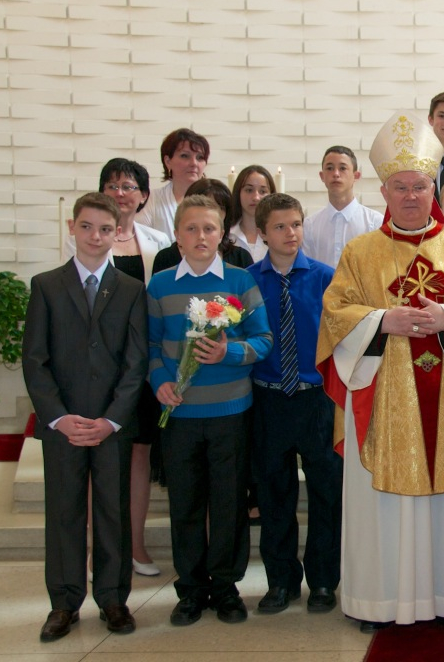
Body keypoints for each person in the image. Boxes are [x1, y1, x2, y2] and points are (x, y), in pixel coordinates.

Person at [316, 110, 444, 632]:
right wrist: (382, 320)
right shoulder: (360, 253)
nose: (410, 196)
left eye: (419, 186)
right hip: (384, 399)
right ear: (383, 191)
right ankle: (381, 603)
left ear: (432, 188)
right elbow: (335, 316)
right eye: (399, 187)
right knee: (383, 504)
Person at [23, 192, 148, 641]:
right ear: (72, 228)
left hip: (110, 425)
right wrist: (58, 418)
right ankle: (64, 602)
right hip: (64, 425)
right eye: (87, 227)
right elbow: (34, 360)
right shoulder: (46, 285)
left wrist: (112, 419)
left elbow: (136, 361)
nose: (96, 236)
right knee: (64, 511)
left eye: (105, 229)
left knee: (113, 510)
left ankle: (113, 598)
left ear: (118, 233)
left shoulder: (131, 290)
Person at [147, 194, 273, 626]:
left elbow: (263, 340)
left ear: (222, 234)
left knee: (228, 503)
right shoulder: (160, 284)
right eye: (191, 229)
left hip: (230, 410)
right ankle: (190, 588)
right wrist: (160, 382)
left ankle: (225, 587)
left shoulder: (240, 280)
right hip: (180, 413)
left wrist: (229, 352)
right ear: (177, 236)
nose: (201, 236)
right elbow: (150, 345)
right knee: (185, 503)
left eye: (209, 228)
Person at [66, 160, 171, 578]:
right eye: (113, 186)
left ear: (144, 195)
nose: (121, 193)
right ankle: (99, 550)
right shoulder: (88, 242)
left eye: (129, 186)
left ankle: (137, 546)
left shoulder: (159, 241)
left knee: (139, 454)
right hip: (97, 364)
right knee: (99, 455)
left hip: (141, 363)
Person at [247, 194, 341, 615]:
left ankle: (322, 580)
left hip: (315, 398)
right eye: (280, 227)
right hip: (268, 398)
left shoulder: (326, 278)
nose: (291, 233)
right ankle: (281, 580)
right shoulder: (247, 282)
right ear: (263, 233)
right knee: (274, 493)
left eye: (297, 224)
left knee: (326, 491)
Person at [302, 145, 383, 267]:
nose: (336, 174)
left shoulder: (375, 222)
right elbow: (307, 270)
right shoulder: (309, 226)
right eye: (330, 168)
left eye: (342, 168)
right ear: (322, 176)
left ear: (356, 176)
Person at [152, 179, 254, 272]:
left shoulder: (241, 257)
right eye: (203, 205)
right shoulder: (165, 258)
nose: (209, 213)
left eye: (219, 207)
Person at [136, 128, 210, 237]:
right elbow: (140, 238)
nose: (194, 163)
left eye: (200, 158)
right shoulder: (152, 199)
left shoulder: (213, 199)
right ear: (168, 161)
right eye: (185, 156)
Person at [229, 165, 276, 262]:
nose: (256, 197)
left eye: (262, 191)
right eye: (249, 190)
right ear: (238, 193)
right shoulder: (227, 234)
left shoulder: (279, 235)